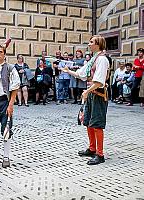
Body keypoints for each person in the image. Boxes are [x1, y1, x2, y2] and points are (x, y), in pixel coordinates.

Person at [62, 35, 110, 165]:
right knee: (88, 121)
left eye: (91, 42)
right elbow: (81, 74)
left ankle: (100, 155)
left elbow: (99, 82)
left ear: (98, 44)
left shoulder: (102, 60)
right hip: (91, 94)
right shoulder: (93, 59)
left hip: (99, 95)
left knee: (97, 124)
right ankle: (92, 148)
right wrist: (68, 71)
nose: (89, 44)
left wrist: (86, 91)